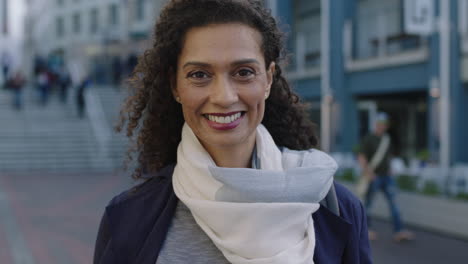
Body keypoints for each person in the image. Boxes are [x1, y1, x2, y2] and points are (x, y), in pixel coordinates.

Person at [93, 1, 372, 263]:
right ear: (175, 86)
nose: (224, 97)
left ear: (268, 79)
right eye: (199, 75)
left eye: (243, 72)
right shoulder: (128, 218)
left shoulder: (336, 207)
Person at [358, 112, 414, 242]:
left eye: (384, 124)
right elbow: (362, 157)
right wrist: (369, 173)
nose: (381, 127)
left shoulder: (387, 139)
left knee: (394, 203)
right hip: (374, 177)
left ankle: (399, 231)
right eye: (379, 124)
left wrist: (390, 169)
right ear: (376, 124)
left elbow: (388, 156)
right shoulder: (369, 138)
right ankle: (366, 230)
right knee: (368, 205)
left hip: (386, 177)